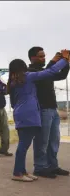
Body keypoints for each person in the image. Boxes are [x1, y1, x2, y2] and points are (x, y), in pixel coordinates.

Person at [7, 50, 69, 182]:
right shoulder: (28, 77)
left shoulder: (14, 82)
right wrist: (64, 60)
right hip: (28, 115)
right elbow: (50, 72)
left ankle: (22, 171)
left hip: (22, 114)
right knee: (24, 145)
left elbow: (13, 102)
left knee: (24, 144)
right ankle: (17, 173)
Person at [28, 47, 70, 178]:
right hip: (42, 109)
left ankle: (52, 165)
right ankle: (40, 167)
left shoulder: (45, 71)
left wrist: (66, 61)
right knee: (42, 140)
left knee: (54, 140)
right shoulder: (31, 72)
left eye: (44, 56)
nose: (43, 58)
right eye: (40, 56)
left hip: (53, 109)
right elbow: (48, 72)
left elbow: (61, 74)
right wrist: (59, 60)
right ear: (32, 58)